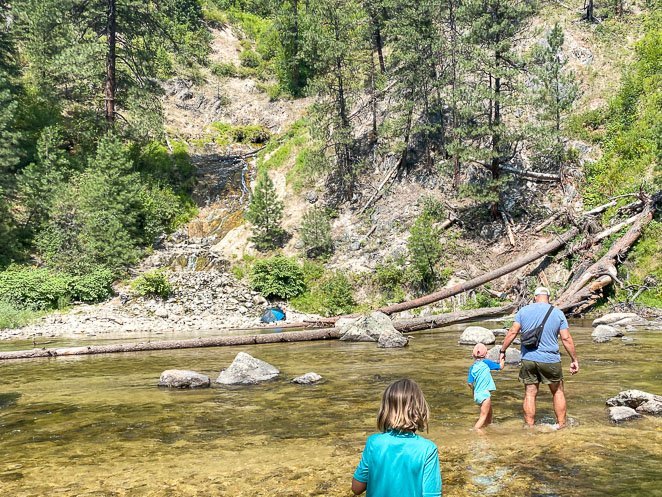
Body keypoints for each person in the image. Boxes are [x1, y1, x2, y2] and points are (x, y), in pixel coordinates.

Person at [500, 286, 579, 429]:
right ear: (548, 298)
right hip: (550, 360)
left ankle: (529, 426)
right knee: (558, 391)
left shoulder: (523, 312)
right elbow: (566, 338)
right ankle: (561, 425)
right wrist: (574, 359)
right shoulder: (558, 313)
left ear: (535, 297)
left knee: (530, 393)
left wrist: (502, 350)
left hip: (528, 359)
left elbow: (512, 332)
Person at [351, 379, 442, 497]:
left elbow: (356, 488)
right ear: (420, 409)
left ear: (385, 410)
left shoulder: (374, 442)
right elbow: (431, 495)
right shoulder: (428, 449)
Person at [467, 343, 505, 430]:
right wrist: (502, 358)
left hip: (477, 394)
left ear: (473, 355)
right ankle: (475, 430)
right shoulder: (486, 363)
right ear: (486, 354)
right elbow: (500, 367)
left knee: (489, 411)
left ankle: (489, 425)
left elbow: (470, 383)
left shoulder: (472, 367)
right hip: (484, 394)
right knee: (483, 416)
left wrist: (474, 391)